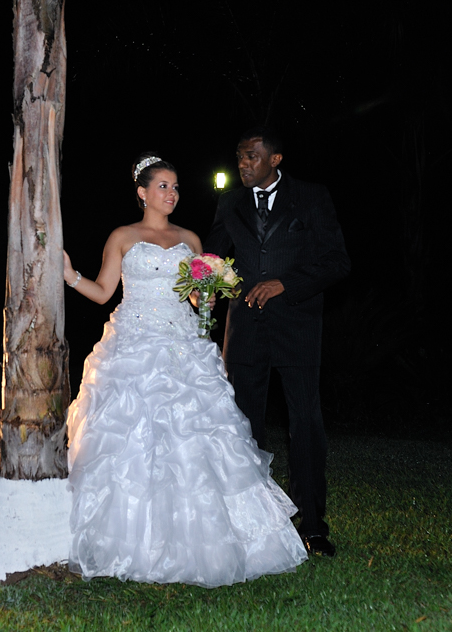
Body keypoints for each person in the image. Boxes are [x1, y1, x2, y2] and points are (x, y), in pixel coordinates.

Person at [62, 152, 308, 587]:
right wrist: (69, 275)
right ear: (142, 193)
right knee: (133, 442)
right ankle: (131, 541)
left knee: (196, 444)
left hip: (182, 346)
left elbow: (198, 298)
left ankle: (206, 541)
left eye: (175, 187)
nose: (171, 193)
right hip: (134, 345)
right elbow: (103, 293)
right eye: (163, 186)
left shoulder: (191, 239)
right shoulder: (122, 235)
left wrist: (210, 296)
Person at [204, 127, 350, 557]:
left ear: (276, 159)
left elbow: (337, 262)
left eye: (251, 156)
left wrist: (285, 283)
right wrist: (205, 281)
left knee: (304, 424)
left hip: (298, 327)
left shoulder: (311, 196)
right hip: (244, 330)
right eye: (239, 156)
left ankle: (313, 525)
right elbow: (212, 252)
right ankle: (251, 522)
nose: (243, 164)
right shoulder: (230, 201)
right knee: (243, 426)